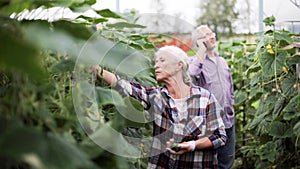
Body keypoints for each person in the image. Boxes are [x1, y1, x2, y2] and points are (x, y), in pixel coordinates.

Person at [91, 45, 227, 169]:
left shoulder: (205, 98)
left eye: (162, 61)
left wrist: (192, 145)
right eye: (156, 62)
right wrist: (97, 69)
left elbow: (219, 136)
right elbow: (124, 86)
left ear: (179, 65)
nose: (156, 66)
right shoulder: (156, 96)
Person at [189, 25, 235, 169]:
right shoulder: (195, 62)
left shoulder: (222, 61)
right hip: (208, 123)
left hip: (227, 120)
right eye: (206, 35)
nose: (212, 37)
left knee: (226, 162)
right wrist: (201, 50)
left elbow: (230, 88)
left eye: (212, 33)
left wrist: (231, 107)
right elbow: (191, 74)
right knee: (207, 163)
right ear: (198, 42)